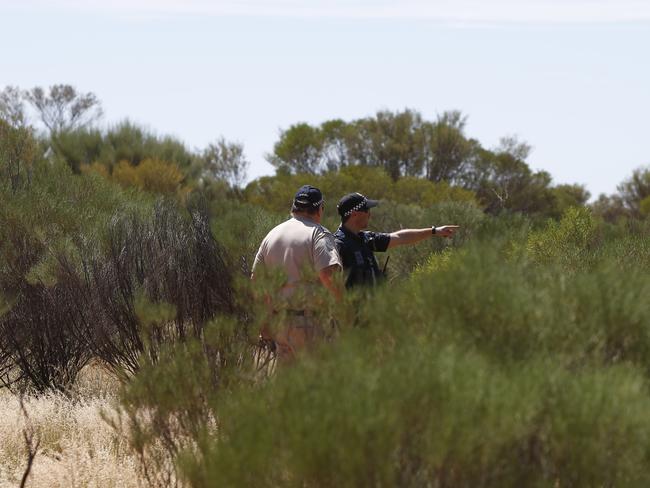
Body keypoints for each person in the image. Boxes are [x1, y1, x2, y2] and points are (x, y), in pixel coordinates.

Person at [251, 185, 342, 359]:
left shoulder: (271, 235)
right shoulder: (319, 234)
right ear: (319, 209)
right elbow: (329, 276)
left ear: (294, 207)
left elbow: (257, 281)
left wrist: (265, 323)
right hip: (310, 324)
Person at [334, 192, 459, 288]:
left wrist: (434, 231)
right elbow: (329, 283)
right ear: (355, 214)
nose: (370, 214)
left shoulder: (366, 238)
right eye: (367, 210)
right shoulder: (338, 244)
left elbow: (401, 237)